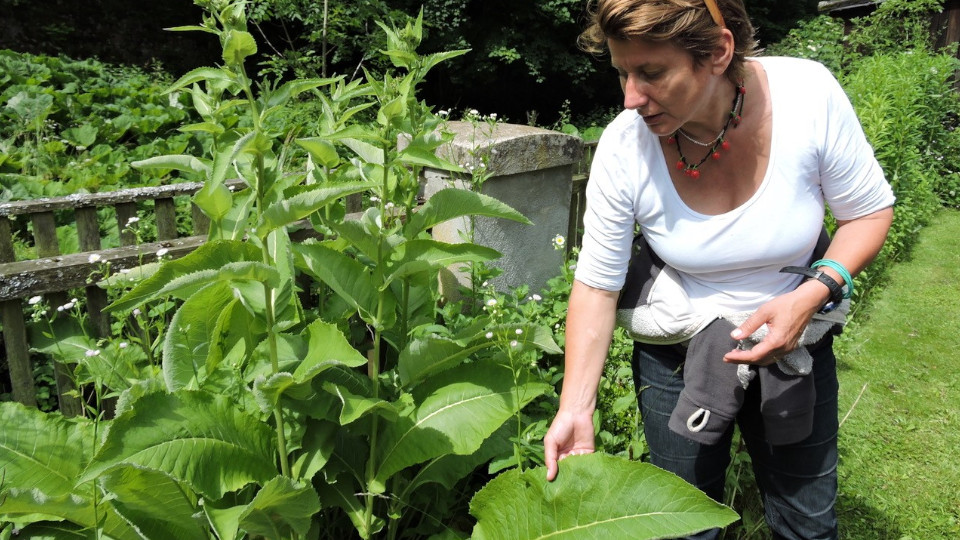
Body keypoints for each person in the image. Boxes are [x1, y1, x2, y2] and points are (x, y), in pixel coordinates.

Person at [542, 0, 895, 538]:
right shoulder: (624, 146)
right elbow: (597, 285)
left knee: (808, 523)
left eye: (651, 73)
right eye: (622, 72)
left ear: (718, 52)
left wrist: (813, 294)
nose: (630, 98)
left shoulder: (808, 95)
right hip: (678, 355)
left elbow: (867, 212)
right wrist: (575, 407)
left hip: (797, 343)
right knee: (682, 522)